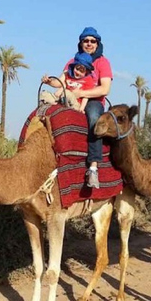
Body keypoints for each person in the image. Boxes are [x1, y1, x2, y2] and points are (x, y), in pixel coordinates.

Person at [64, 27, 112, 188]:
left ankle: (93, 167)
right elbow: (62, 79)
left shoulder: (102, 62)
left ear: (97, 43)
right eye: (86, 41)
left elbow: (104, 89)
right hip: (70, 97)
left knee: (93, 118)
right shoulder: (73, 62)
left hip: (93, 101)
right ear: (81, 43)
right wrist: (50, 81)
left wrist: (82, 92)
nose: (89, 44)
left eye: (93, 41)